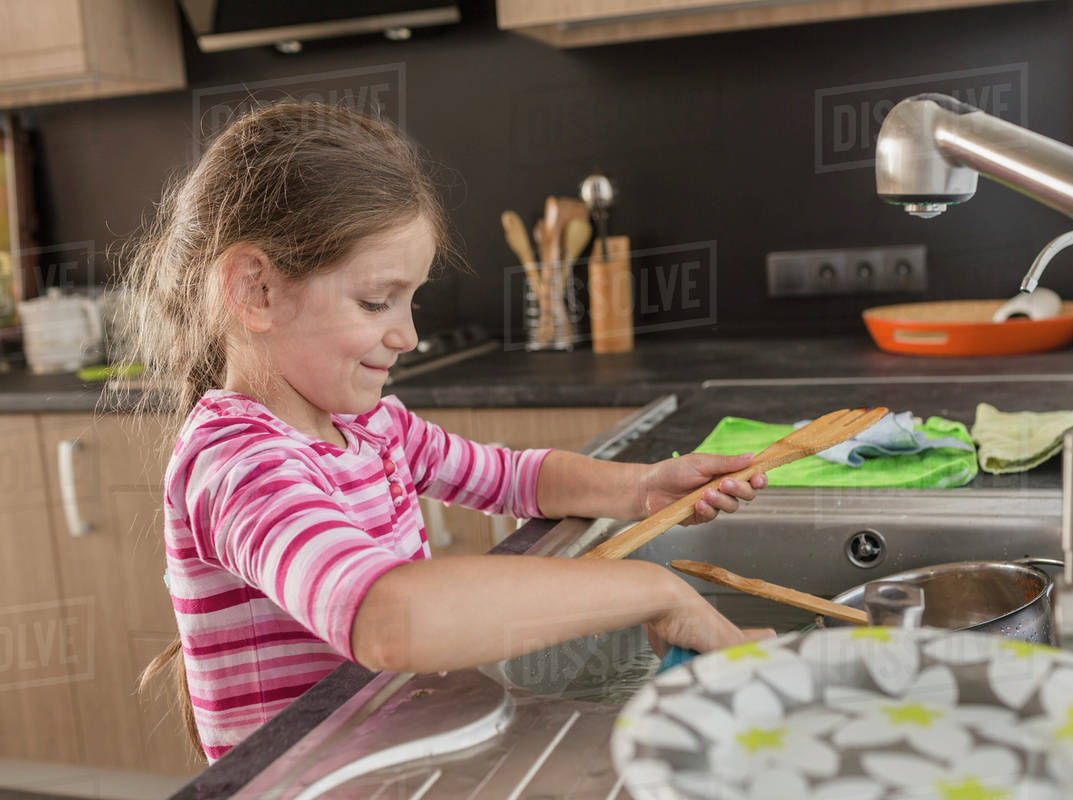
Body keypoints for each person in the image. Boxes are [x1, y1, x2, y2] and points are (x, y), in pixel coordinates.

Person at [123, 102, 770, 764]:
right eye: (376, 301)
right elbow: (390, 619)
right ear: (255, 290)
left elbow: (514, 477)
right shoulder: (238, 464)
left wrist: (643, 489)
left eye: (411, 300)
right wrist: (653, 591)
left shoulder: (369, 427)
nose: (406, 335)